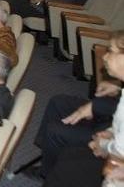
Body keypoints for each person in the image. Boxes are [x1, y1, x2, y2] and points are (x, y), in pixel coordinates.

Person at [44, 30, 124, 187]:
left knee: (67, 160)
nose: (105, 57)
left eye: (111, 52)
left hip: (115, 162)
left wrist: (103, 144)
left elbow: (120, 150)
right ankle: (47, 166)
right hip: (110, 131)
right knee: (58, 102)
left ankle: (49, 172)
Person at [34, 80, 121, 178]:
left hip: (116, 133)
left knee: (55, 132)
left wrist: (97, 107)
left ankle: (49, 177)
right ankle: (48, 156)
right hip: (113, 114)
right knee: (58, 102)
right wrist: (119, 88)